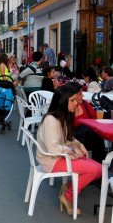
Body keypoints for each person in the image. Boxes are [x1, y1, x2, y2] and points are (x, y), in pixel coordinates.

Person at [37, 84, 101, 216]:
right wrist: (73, 150)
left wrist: (78, 144)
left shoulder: (61, 117)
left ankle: (68, 190)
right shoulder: (51, 120)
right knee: (96, 169)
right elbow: (53, 148)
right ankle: (68, 195)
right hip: (51, 160)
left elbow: (66, 138)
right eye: (72, 100)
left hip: (57, 156)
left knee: (98, 169)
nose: (76, 103)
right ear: (62, 101)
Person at [69, 82, 107, 163]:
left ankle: (100, 165)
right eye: (80, 94)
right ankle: (101, 165)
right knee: (96, 136)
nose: (82, 96)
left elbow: (95, 119)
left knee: (97, 135)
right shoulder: (68, 108)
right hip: (73, 138)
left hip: (89, 137)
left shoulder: (85, 104)